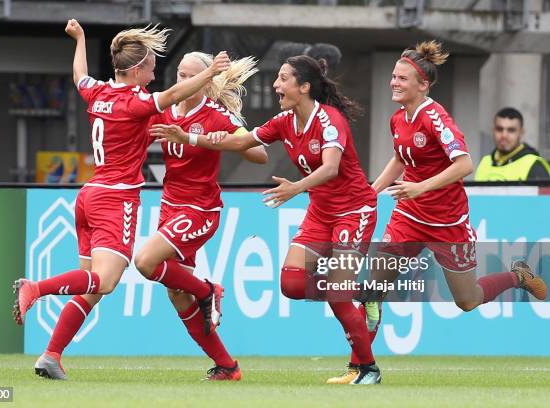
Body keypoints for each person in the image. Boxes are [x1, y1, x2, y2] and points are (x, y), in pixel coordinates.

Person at [12, 19, 231, 380]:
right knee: (106, 281)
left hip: (87, 196)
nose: (155, 71)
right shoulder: (136, 103)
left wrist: (80, 39)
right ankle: (35, 288)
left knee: (90, 286)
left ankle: (51, 355)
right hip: (116, 199)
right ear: (134, 70)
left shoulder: (97, 92)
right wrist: (209, 72)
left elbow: (79, 74)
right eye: (150, 65)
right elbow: (174, 96)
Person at [151, 55, 382, 385]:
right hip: (321, 211)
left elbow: (331, 167)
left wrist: (296, 188)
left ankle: (366, 368)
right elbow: (244, 141)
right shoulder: (284, 121)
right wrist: (189, 138)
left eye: (284, 79)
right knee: (291, 284)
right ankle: (363, 294)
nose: (276, 85)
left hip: (354, 211)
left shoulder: (330, 121)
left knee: (336, 290)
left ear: (304, 87)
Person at [365, 41, 548, 342]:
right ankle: (363, 362)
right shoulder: (398, 118)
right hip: (409, 216)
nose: (393, 83)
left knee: (467, 300)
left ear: (422, 85)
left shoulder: (436, 118)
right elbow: (401, 157)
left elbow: (465, 164)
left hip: (447, 223)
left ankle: (518, 276)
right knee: (374, 284)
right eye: (393, 76)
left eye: (401, 78)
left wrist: (420, 187)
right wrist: (372, 192)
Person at [133, 51, 267, 381]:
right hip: (170, 207)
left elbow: (260, 154)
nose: (183, 81)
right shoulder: (163, 109)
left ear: (207, 82)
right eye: (179, 74)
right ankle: (227, 366)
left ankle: (208, 290)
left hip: (200, 210)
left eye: (191, 75)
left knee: (145, 261)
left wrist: (221, 142)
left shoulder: (217, 116)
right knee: (177, 293)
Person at [475, 107, 550, 181]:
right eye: (499, 129)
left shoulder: (535, 165)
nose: (504, 135)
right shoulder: (485, 162)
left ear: (521, 133)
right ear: (493, 130)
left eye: (511, 130)